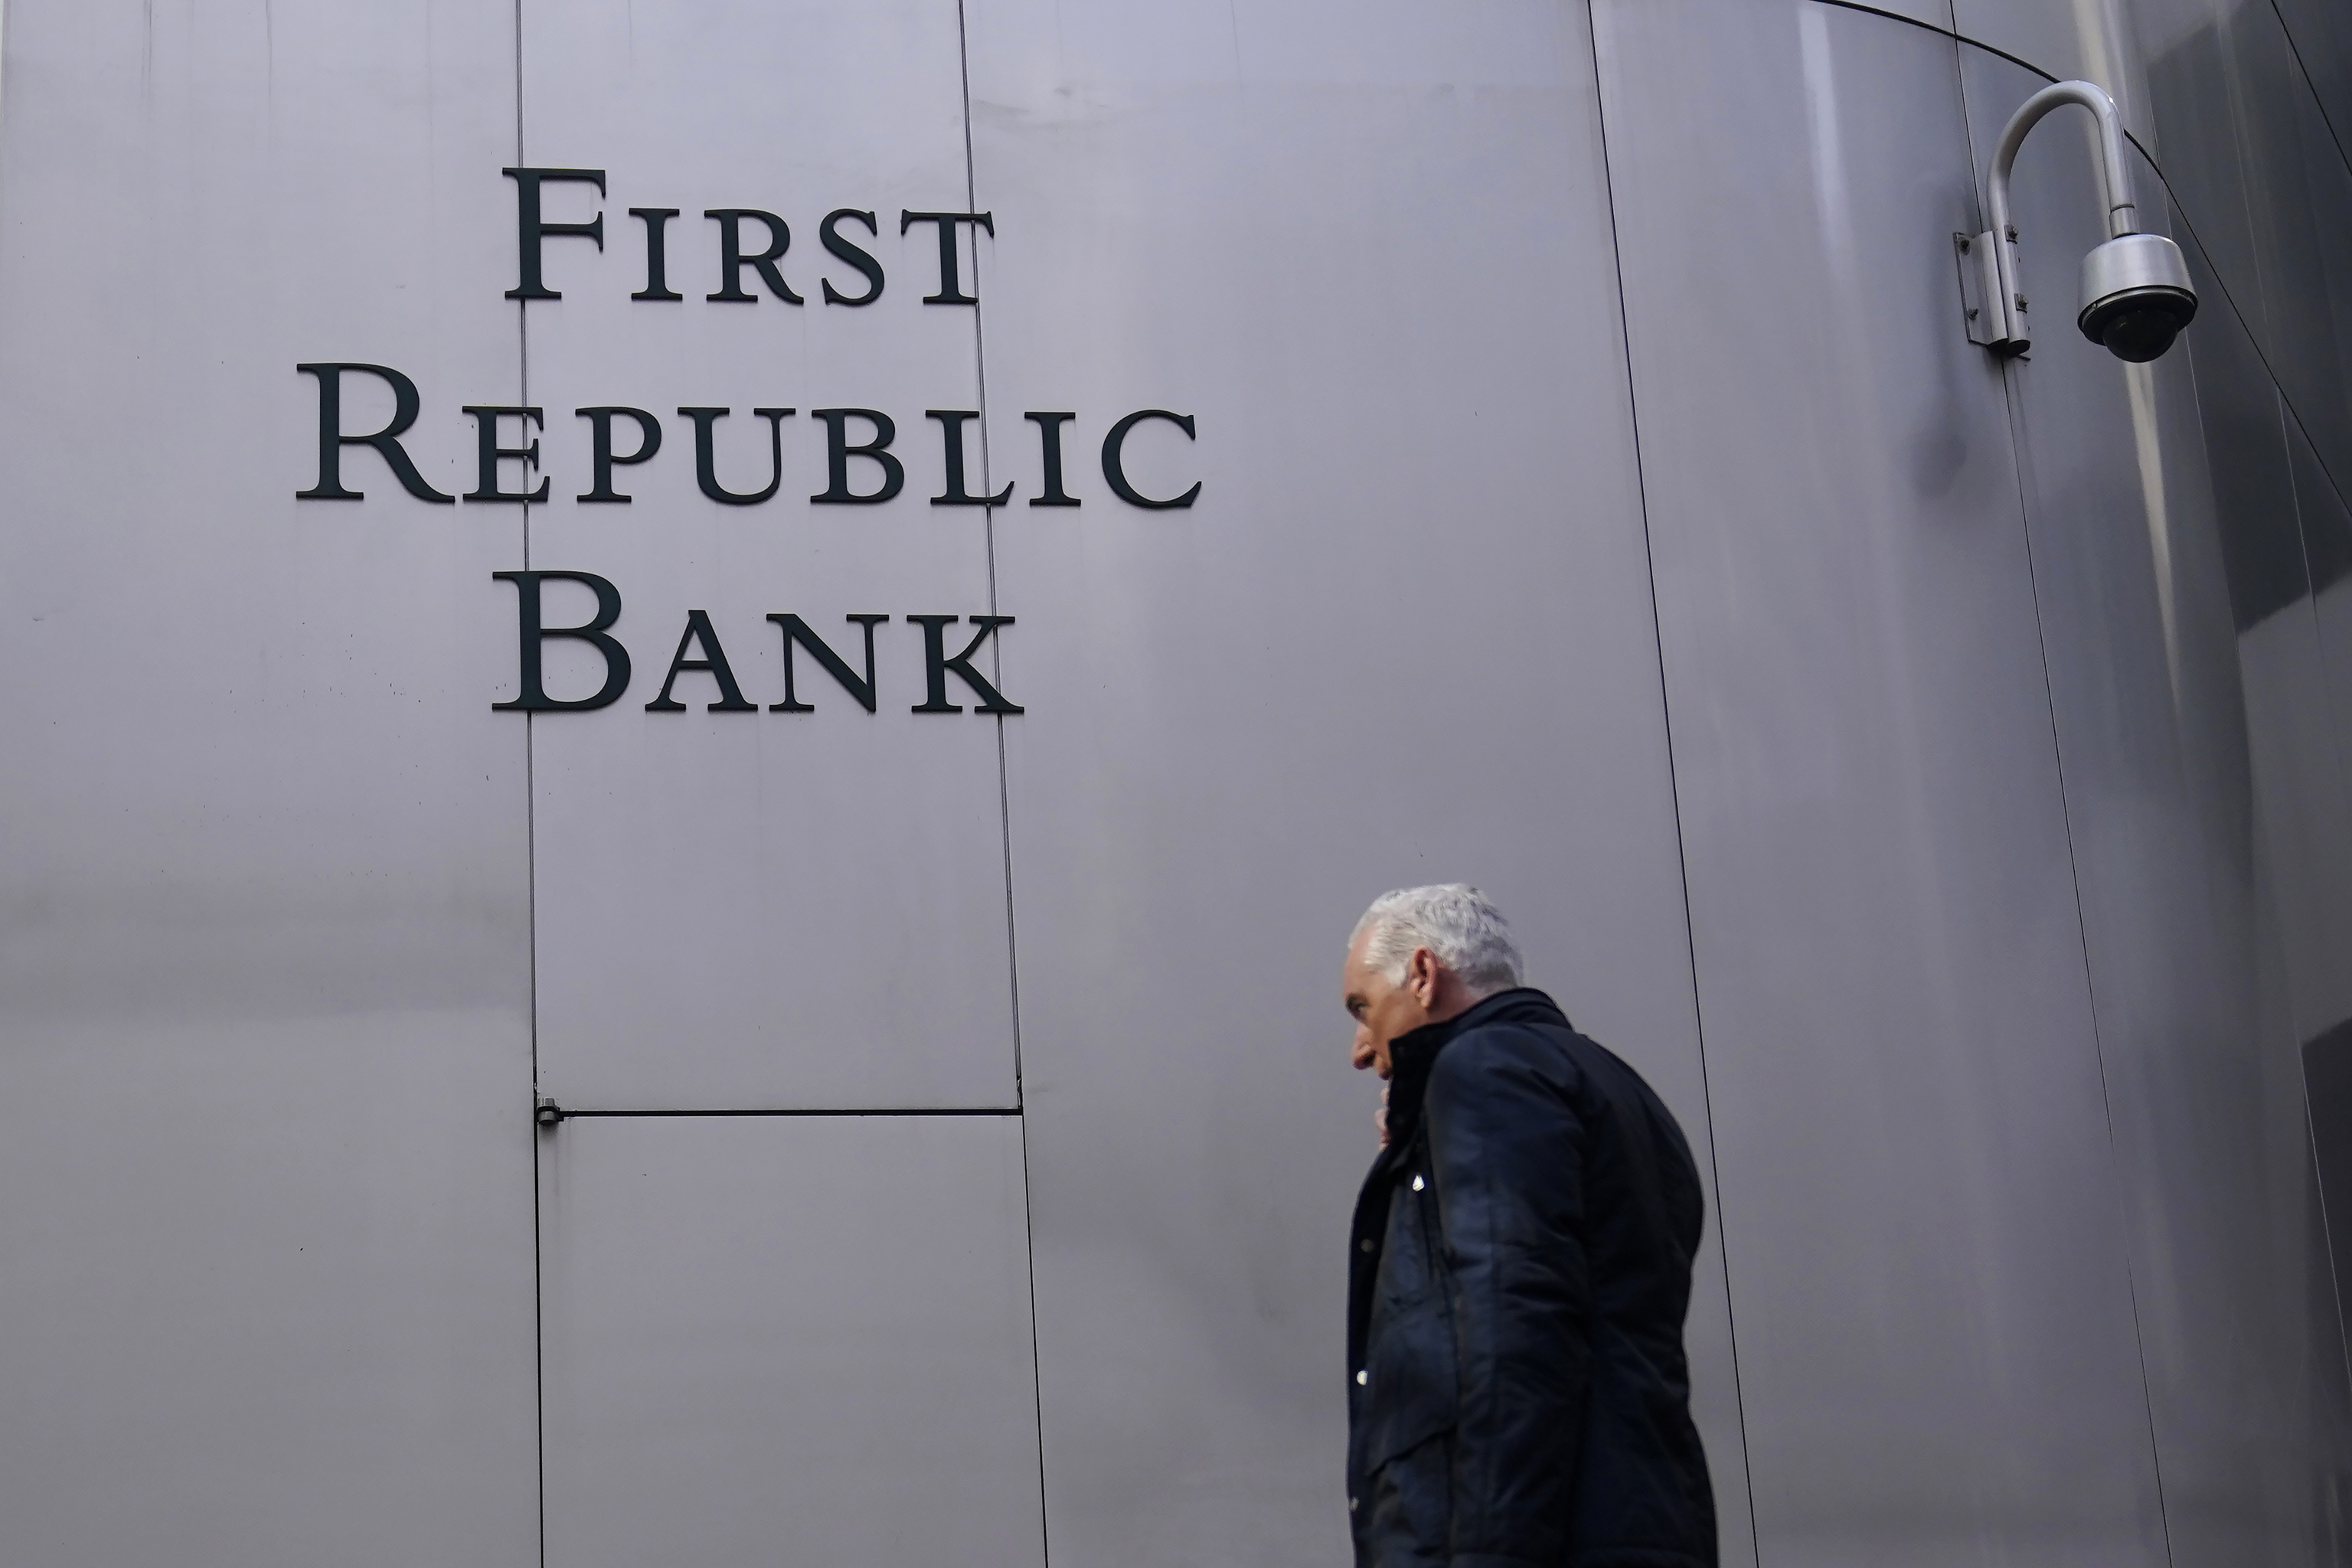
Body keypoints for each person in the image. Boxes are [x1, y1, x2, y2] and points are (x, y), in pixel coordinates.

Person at [1341, 884, 1717, 1568]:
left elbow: (1515, 1331)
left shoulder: (1486, 1072)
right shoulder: (1613, 1088)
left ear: (1423, 975)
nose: (1361, 1049)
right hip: (1637, 1518)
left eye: (1363, 1007)